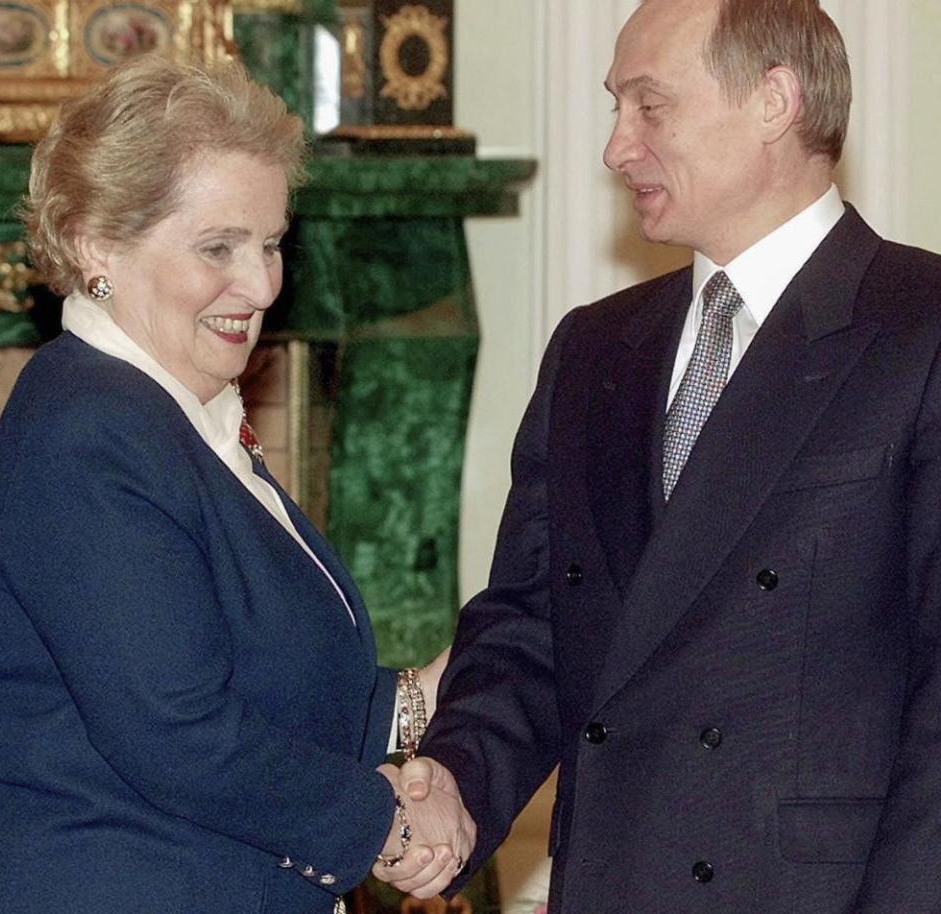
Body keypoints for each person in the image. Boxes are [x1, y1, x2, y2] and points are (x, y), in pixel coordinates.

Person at [375, 0, 941, 911]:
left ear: (774, 102)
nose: (615, 148)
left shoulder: (919, 327)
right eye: (613, 108)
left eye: (650, 107)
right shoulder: (596, 348)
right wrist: (455, 782)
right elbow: (531, 625)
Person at [0, 55, 473, 914]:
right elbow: (178, 734)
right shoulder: (88, 431)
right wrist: (388, 825)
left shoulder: (174, 413)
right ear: (100, 245)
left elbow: (259, 671)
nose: (261, 284)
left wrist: (442, 687)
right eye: (219, 247)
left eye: (273, 243)